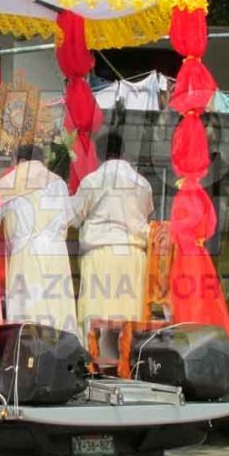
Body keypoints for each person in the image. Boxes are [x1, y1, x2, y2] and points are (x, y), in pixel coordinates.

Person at [72, 132, 153, 354]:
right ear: (124, 153)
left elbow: (74, 217)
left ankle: (95, 364)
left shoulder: (91, 181)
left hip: (101, 255)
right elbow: (146, 213)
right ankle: (129, 365)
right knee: (130, 320)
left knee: (97, 318)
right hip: (134, 256)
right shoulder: (143, 183)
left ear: (98, 156)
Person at [0, 144, 77, 334]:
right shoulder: (58, 182)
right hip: (56, 251)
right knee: (57, 308)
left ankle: (27, 347)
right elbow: (68, 218)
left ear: (20, 160)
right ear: (41, 161)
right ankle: (62, 345)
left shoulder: (8, 183)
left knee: (28, 307)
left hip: (25, 252)